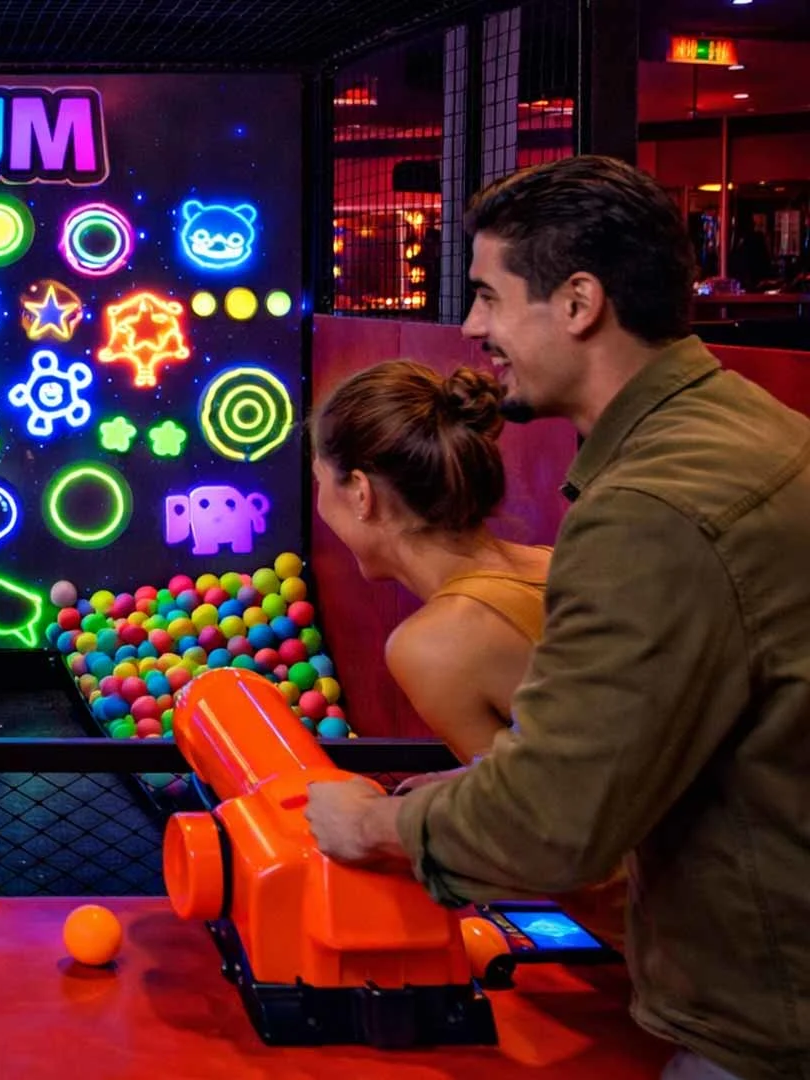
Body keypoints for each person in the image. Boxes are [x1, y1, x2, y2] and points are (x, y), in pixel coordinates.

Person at [304, 154, 810, 1080]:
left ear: (578, 303)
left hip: (768, 1013)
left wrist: (372, 828)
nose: (472, 327)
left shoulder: (653, 504)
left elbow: (556, 827)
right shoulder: (748, 426)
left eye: (490, 297)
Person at [312, 360, 552, 765]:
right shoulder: (553, 563)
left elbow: (522, 814)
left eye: (320, 481)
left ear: (359, 493)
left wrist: (367, 816)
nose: (319, 502)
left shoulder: (432, 644)